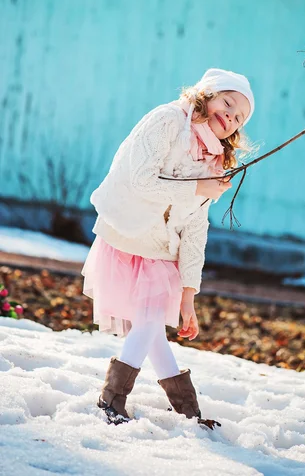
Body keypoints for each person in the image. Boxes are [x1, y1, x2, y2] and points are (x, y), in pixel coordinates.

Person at [82, 67, 255, 428]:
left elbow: (194, 228)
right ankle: (111, 400)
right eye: (228, 102)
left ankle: (188, 412)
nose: (231, 116)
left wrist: (189, 291)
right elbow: (140, 180)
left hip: (161, 249)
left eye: (240, 117)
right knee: (147, 323)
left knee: (151, 328)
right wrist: (196, 189)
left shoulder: (213, 161)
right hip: (128, 232)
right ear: (206, 94)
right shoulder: (167, 121)